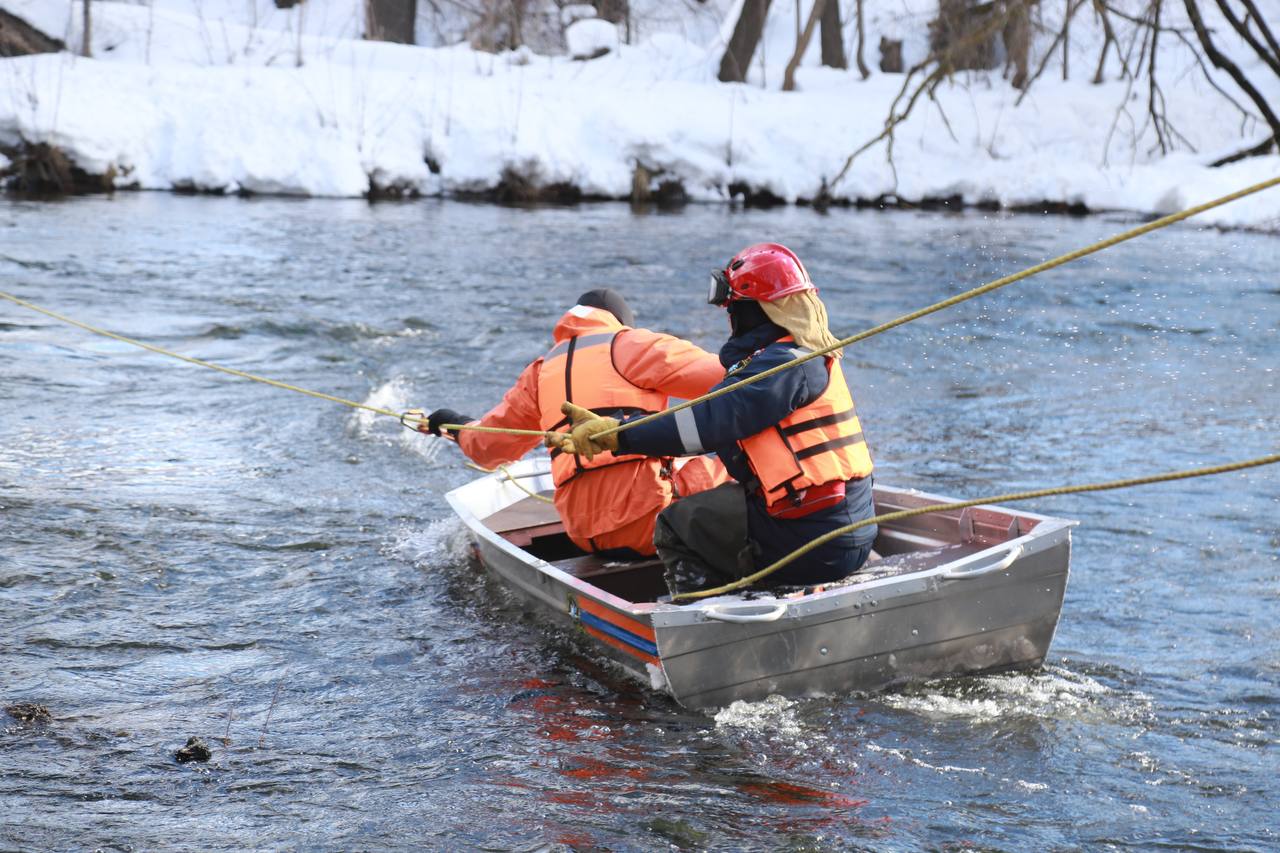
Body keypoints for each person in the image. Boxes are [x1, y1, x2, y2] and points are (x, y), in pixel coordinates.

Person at [554, 244, 877, 594]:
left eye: (733, 308)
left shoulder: (781, 366)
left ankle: (700, 617)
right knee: (724, 496)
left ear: (756, 310)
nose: (729, 318)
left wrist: (620, 434)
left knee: (676, 524)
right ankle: (762, 584)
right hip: (845, 530)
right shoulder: (808, 357)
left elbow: (706, 422)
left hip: (810, 541)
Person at [416, 288, 729, 557]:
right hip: (650, 518)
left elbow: (487, 447)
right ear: (621, 322)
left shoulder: (540, 372)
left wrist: (456, 424)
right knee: (751, 470)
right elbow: (737, 381)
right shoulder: (632, 345)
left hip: (584, 532)